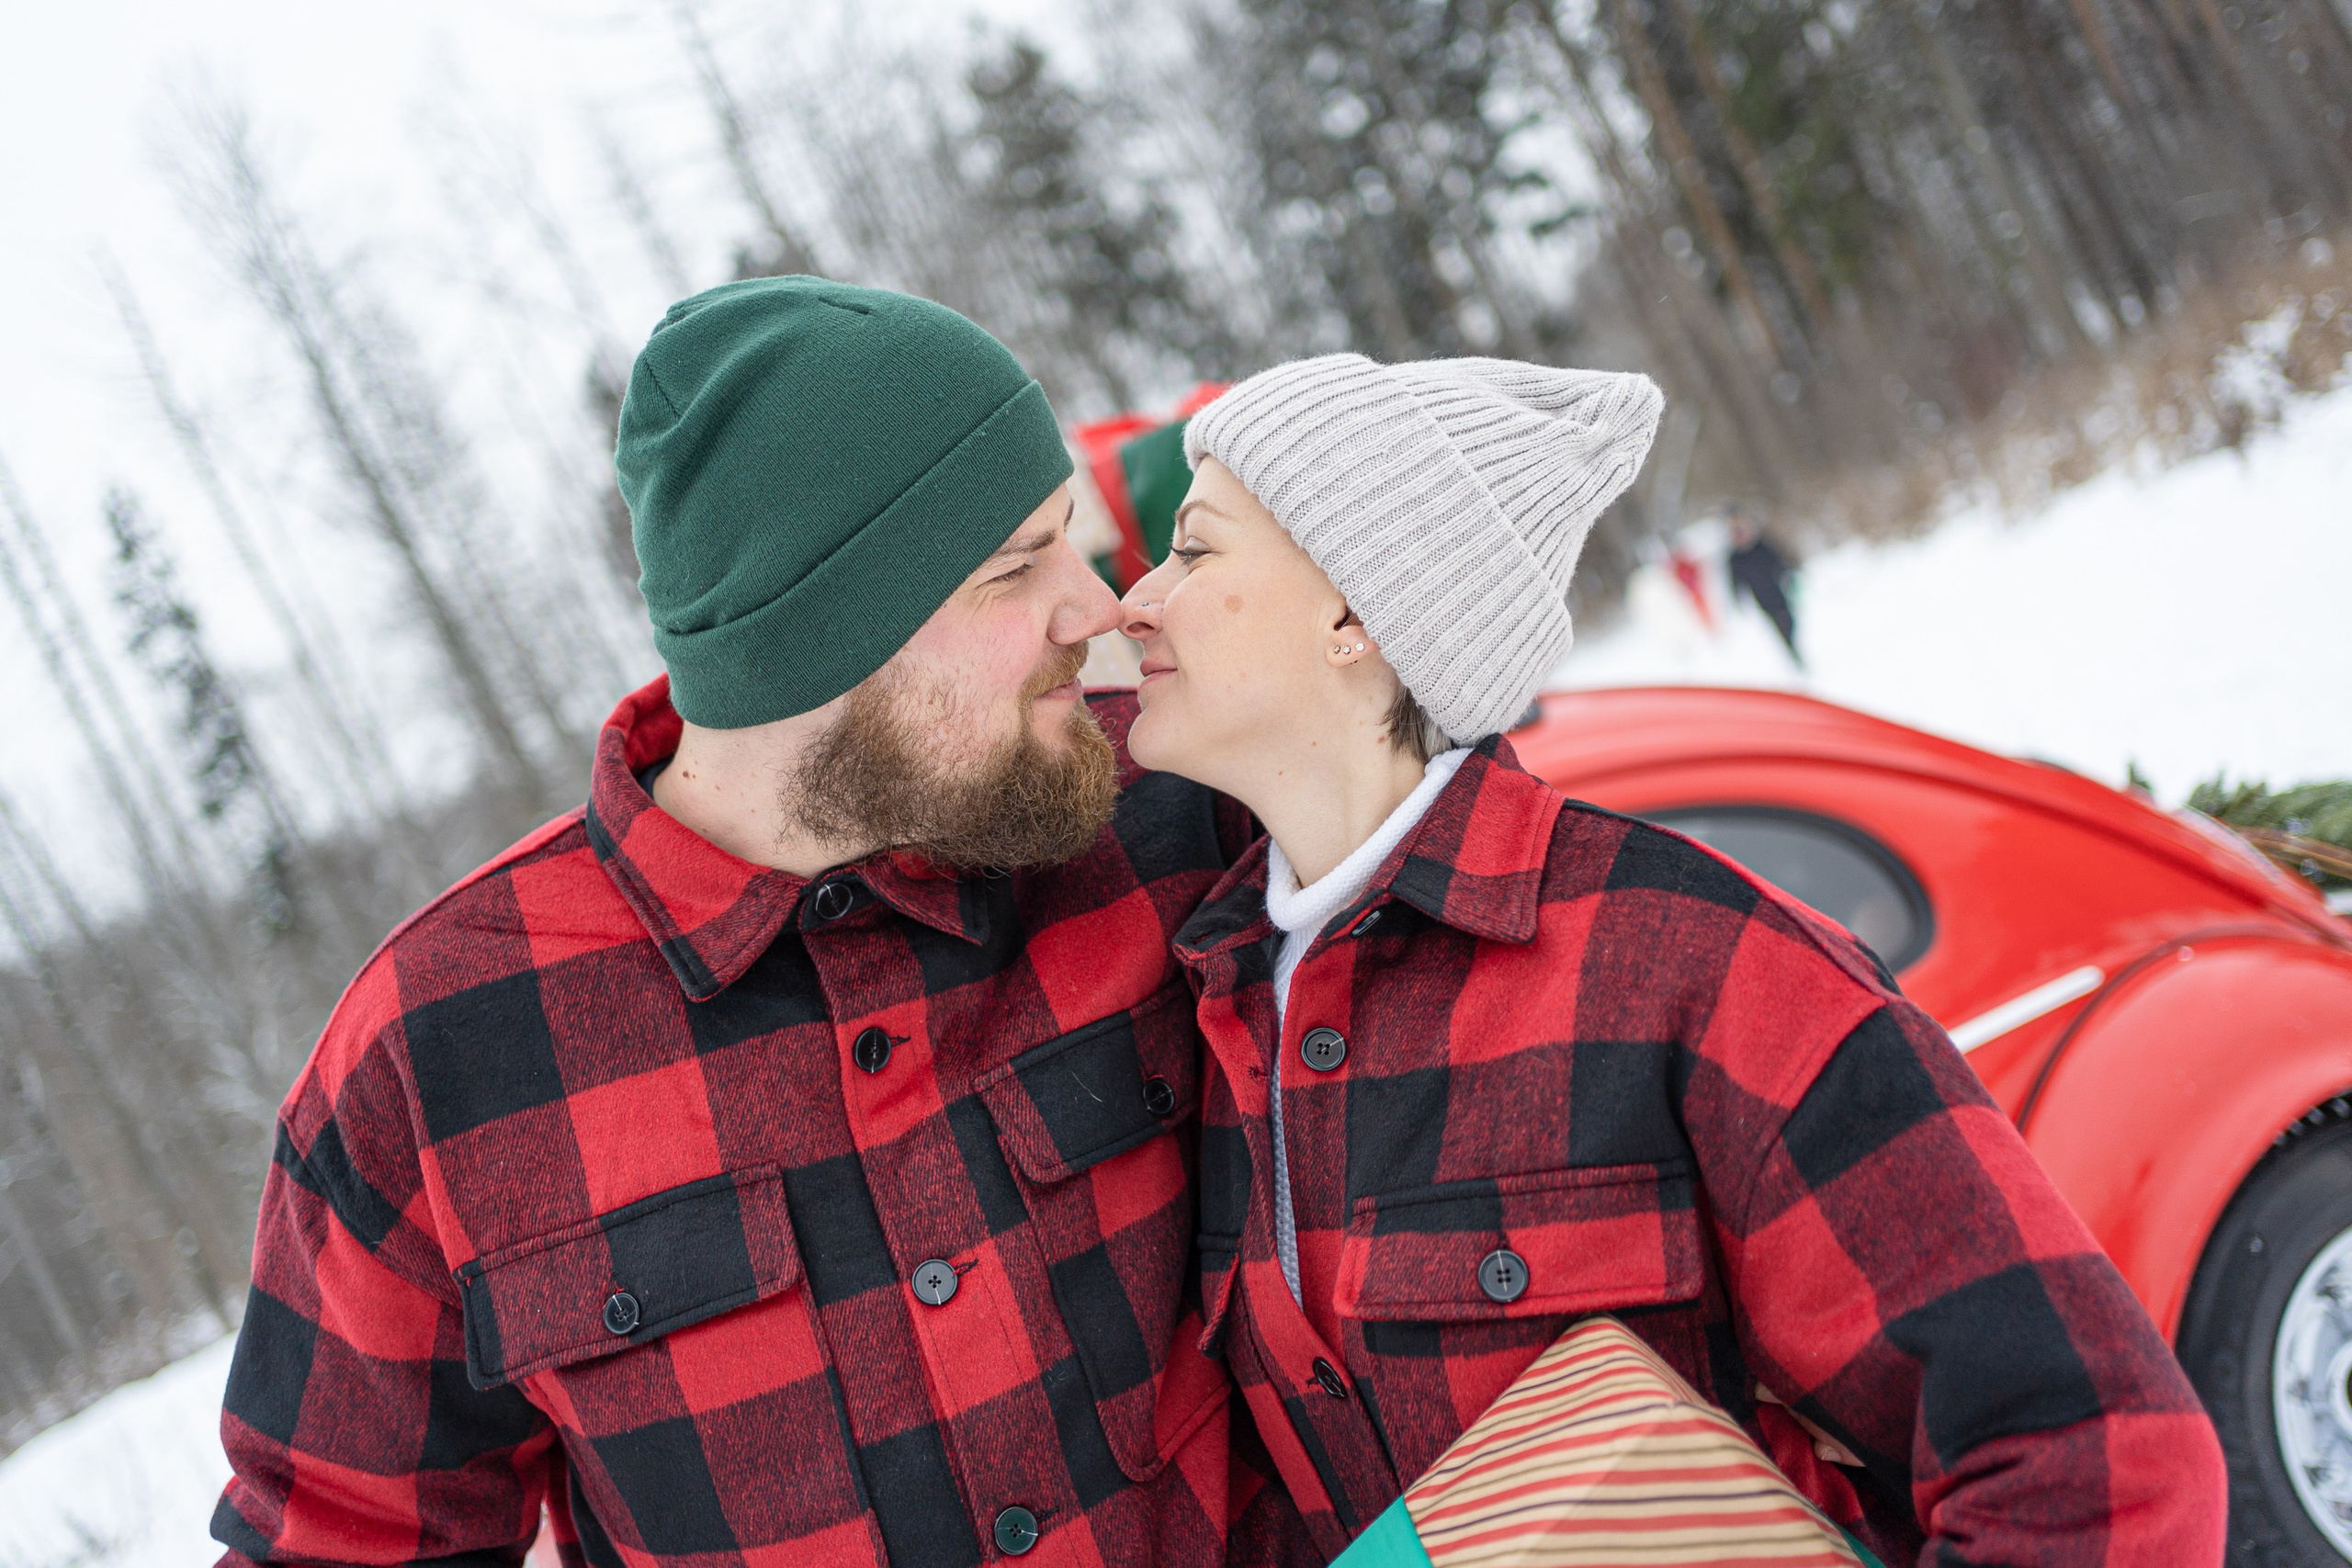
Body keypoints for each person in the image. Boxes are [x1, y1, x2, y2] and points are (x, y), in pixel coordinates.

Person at [209, 278, 1308, 1568]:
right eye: (1019, 565)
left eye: (1067, 535)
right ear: (820, 640)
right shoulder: (436, 1057)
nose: (1096, 604)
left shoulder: (1174, 817)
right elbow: (338, 1544)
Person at [1113, 352, 2228, 1565]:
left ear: (1355, 614)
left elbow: (2101, 1457)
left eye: (1196, 549)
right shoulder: (1224, 1001)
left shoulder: (1694, 958)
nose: (1134, 599)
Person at [1728, 504, 1804, 666]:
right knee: (1779, 624)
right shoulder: (1735, 558)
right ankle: (1792, 653)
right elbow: (1735, 582)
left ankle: (1793, 646)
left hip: (1778, 592)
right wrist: (1738, 600)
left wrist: (1788, 574)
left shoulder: (1761, 546)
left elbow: (1779, 560)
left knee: (1789, 620)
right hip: (1762, 599)